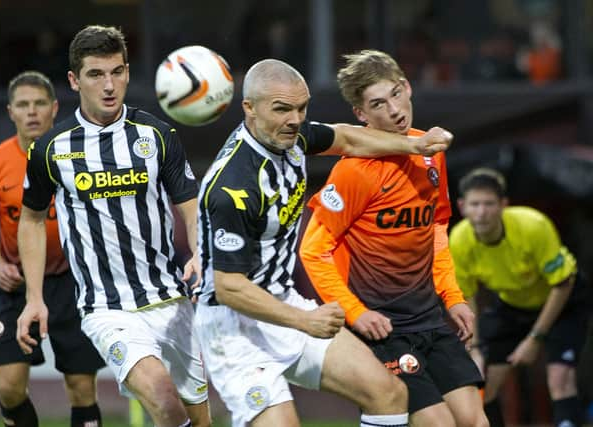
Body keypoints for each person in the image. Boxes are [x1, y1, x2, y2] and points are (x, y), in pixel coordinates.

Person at [194, 57, 455, 427]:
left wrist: (417, 146)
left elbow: (348, 137)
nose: (295, 119)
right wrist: (304, 320)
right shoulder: (232, 186)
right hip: (234, 326)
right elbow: (229, 287)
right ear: (248, 109)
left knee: (389, 394)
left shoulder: (292, 137)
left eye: (301, 108)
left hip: (282, 302)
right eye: (282, 109)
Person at [14, 25, 211, 427]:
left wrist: (199, 254)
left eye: (117, 72)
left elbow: (189, 206)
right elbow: (32, 220)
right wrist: (34, 298)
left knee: (197, 418)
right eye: (96, 74)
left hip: (172, 298)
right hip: (106, 307)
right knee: (162, 398)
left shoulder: (156, 134)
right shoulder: (51, 148)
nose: (109, 85)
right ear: (74, 80)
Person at [299, 49, 488, 427]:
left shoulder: (430, 152)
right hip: (384, 327)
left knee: (475, 421)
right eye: (377, 104)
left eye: (395, 95)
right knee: (439, 424)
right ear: (361, 116)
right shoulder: (353, 172)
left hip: (430, 318)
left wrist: (451, 296)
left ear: (407, 87)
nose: (394, 110)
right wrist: (357, 313)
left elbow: (435, 226)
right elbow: (313, 250)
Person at [0, 70, 105, 427]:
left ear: (54, 108)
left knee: (81, 387)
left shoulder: (79, 157)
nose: (32, 112)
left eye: (40, 103)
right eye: (23, 104)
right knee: (10, 388)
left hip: (71, 284)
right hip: (15, 288)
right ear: (10, 111)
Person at [449, 167, 589, 427]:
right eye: (475, 204)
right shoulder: (459, 240)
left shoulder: (532, 225)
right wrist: (476, 348)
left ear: (503, 204)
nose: (482, 212)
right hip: (513, 304)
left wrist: (535, 338)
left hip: (562, 302)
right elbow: (468, 296)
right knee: (482, 382)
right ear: (462, 206)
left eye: (489, 204)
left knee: (560, 380)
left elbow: (562, 282)